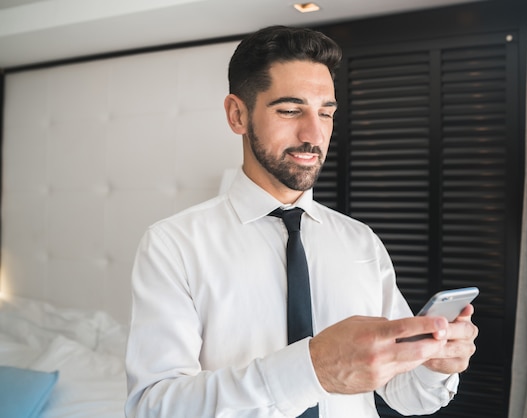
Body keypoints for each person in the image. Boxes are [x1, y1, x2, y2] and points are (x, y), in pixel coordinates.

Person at [125, 25, 478, 417]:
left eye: (325, 113)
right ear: (237, 113)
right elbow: (152, 408)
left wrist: (435, 366)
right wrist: (314, 369)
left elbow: (406, 395)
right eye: (291, 110)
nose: (314, 134)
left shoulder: (361, 242)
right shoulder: (173, 245)